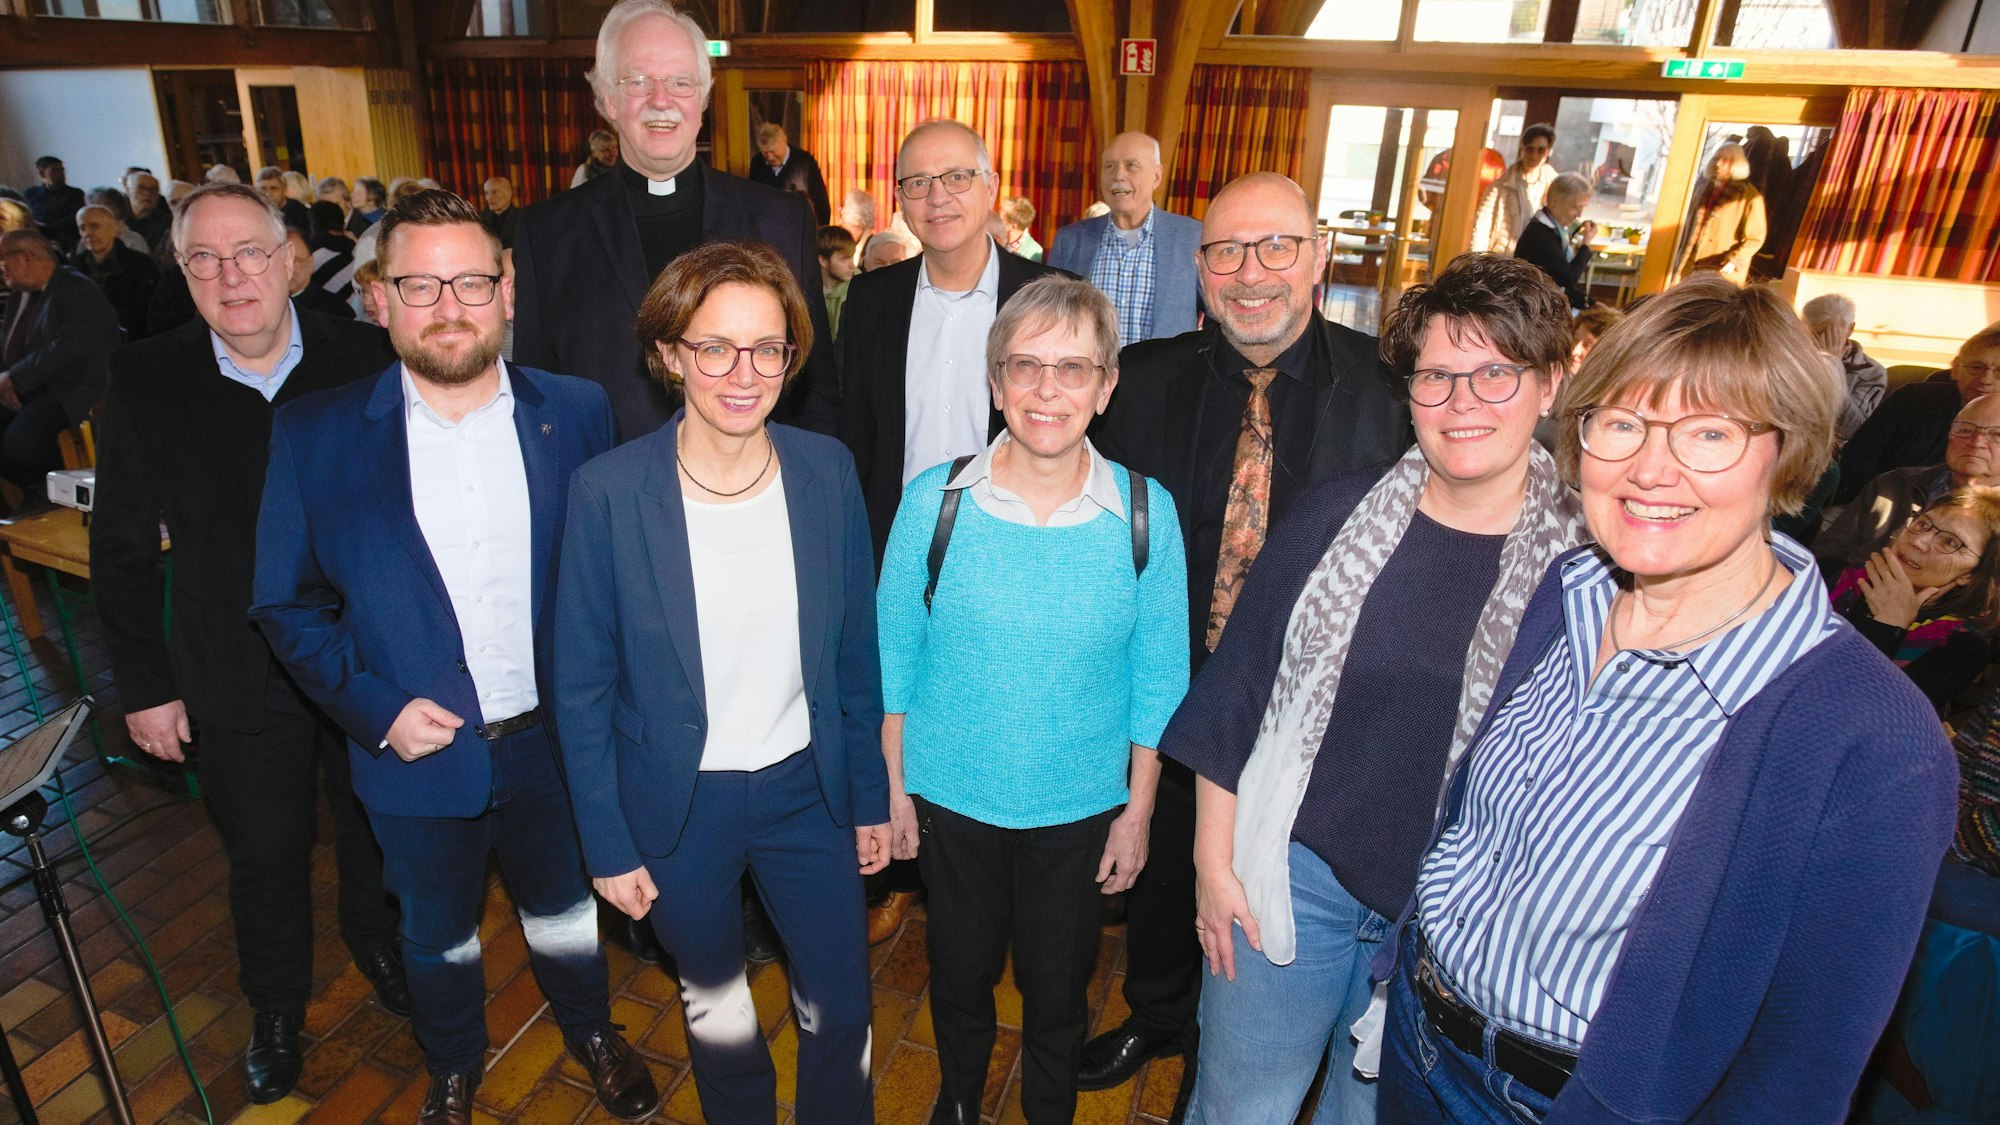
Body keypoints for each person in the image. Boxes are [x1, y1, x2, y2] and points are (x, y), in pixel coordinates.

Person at [1379, 275, 1958, 1121]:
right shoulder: (1567, 591)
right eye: (1621, 423)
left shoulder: (1873, 740)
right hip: (1417, 1043)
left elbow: (1796, 1076)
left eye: (1710, 432)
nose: (1651, 468)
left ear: (1790, 451)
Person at [249, 191, 658, 1125]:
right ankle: (452, 1064)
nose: (448, 305)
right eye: (419, 283)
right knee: (435, 934)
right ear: (377, 298)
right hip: (412, 752)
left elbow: (614, 576)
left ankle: (592, 1030)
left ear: (507, 290)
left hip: (557, 744)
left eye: (471, 280)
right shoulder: (315, 436)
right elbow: (284, 600)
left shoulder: (581, 411)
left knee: (565, 909)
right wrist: (376, 707)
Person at [1164, 254, 1588, 1124]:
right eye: (1436, 375)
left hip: (1456, 923)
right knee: (1238, 1109)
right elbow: (1233, 693)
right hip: (1292, 878)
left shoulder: (1590, 571)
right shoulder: (1331, 516)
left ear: (1549, 385)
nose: (1461, 401)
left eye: (1495, 373)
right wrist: (1213, 863)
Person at [1085, 171, 1411, 1104]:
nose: (1252, 272)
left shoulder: (1394, 398)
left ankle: (1260, 1043)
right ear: (1200, 270)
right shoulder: (1141, 382)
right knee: (1159, 871)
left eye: (1277, 247)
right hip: (1171, 696)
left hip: (1319, 724)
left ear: (1319, 259)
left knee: (1273, 899)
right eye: (1227, 251)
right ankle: (1156, 1013)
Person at [554, 240, 886, 1123]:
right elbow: (581, 686)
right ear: (670, 354)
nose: (744, 373)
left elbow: (857, 651)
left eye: (767, 348)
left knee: (841, 1009)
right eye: (714, 347)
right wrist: (607, 843)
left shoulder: (826, 472)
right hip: (675, 806)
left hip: (806, 792)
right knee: (719, 1010)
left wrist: (868, 797)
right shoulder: (608, 493)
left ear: (791, 355)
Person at [92, 180, 405, 1106]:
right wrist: (146, 686)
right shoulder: (146, 377)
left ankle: (377, 943)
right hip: (232, 661)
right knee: (265, 850)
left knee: (372, 827)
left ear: (291, 259)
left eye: (251, 254)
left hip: (357, 655)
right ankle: (275, 1004)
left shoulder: (360, 352)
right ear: (183, 273)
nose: (232, 277)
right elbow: (119, 547)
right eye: (205, 259)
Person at [877, 274, 1189, 1123]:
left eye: (1073, 368)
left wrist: (1139, 812)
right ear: (995, 380)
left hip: (1080, 807)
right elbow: (893, 660)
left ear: (1106, 385)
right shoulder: (935, 503)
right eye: (1026, 366)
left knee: (1059, 987)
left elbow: (1160, 682)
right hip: (952, 796)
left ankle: (1049, 1107)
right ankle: (961, 1098)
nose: (1048, 389)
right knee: (960, 973)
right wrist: (895, 789)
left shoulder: (1144, 513)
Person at [514, 0, 833, 441]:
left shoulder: (781, 220)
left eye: (681, 82)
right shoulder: (546, 234)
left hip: (753, 493)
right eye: (638, 81)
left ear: (702, 98)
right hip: (607, 497)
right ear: (606, 97)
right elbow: (536, 399)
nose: (660, 100)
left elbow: (814, 393)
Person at [821, 119, 1071, 562]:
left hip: (1019, 547)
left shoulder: (1053, 297)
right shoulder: (870, 300)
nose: (938, 197)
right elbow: (858, 433)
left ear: (990, 186)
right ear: (900, 200)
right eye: (918, 182)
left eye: (957, 177)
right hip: (896, 550)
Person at [1828, 487, 2000, 709]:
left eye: (1950, 542)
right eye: (1922, 524)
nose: (1918, 541)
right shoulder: (1835, 574)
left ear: (1969, 575)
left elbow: (1866, 711)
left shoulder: (1964, 650)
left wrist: (1888, 627)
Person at [1047, 131, 1203, 345]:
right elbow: (1050, 318)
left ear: (1157, 176)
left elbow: (1219, 316)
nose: (1118, 176)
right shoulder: (1070, 241)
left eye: (1131, 165)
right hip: (1088, 376)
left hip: (1167, 378)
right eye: (1109, 166)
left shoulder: (1192, 238)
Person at [1818, 394, 2000, 571]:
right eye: (1965, 430)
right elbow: (1828, 553)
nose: (1976, 442)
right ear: (1949, 435)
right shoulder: (1894, 485)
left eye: (1997, 435)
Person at [0, 229, 117, 493]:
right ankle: (29, 493)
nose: (1, 268)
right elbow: (9, 343)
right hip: (37, 383)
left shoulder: (77, 289)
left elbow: (69, 349)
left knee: (22, 442)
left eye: (3, 259)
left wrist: (13, 378)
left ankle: (54, 491)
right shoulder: (21, 293)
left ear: (25, 257)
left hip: (74, 387)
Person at [1840, 323, 2000, 501]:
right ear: (1955, 369)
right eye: (1976, 367)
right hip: (1875, 502)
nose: (1986, 379)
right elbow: (1857, 456)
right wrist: (1892, 501)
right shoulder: (1912, 399)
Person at [1673, 143, 1766, 286]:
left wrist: (1734, 260)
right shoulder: (1701, 187)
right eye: (1716, 158)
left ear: (1737, 163)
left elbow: (1755, 238)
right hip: (1689, 263)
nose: (1718, 163)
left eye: (1726, 159)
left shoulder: (1749, 195)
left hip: (1721, 267)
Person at [1802, 293, 1887, 441]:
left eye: (1828, 333)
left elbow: (1852, 429)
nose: (1819, 341)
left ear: (1850, 329)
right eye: (1813, 334)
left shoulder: (1871, 372)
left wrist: (1832, 368)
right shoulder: (1792, 358)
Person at [72, 203, 158, 341]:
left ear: (113, 229)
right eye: (82, 228)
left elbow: (148, 310)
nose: (87, 233)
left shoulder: (139, 264)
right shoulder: (74, 268)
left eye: (94, 226)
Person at [1512, 171, 1596, 310]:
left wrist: (1591, 303)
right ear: (1557, 202)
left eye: (1582, 208)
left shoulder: (1556, 229)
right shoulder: (1540, 233)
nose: (1579, 215)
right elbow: (1567, 278)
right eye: (1576, 207)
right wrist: (1585, 245)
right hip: (1531, 308)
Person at [1470, 123, 1555, 255]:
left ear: (1548, 151)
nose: (1534, 155)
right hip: (1504, 258)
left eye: (1541, 150)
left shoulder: (1554, 186)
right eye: (1530, 149)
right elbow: (1481, 227)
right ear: (1522, 148)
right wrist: (1477, 261)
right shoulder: (1500, 186)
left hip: (1537, 260)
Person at [748, 122, 832, 224]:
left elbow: (820, 200)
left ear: (784, 141)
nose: (770, 157)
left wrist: (821, 232)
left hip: (798, 225)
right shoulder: (757, 163)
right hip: (767, 226)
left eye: (773, 151)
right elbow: (753, 198)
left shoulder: (805, 162)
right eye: (765, 152)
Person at [284, 226, 354, 320]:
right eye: (281, 262)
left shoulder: (336, 311)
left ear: (310, 263)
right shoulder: (265, 305)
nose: (287, 269)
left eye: (295, 261)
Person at [24, 156, 85, 251]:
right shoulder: (31, 193)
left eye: (62, 170)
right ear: (42, 173)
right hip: (36, 236)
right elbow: (25, 214)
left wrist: (47, 228)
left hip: (64, 237)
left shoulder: (75, 193)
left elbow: (75, 217)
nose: (61, 174)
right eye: (55, 171)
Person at [817, 223, 854, 337]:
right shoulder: (807, 291)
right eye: (844, 259)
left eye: (852, 257)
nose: (852, 265)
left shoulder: (856, 289)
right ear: (823, 261)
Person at [124, 169, 172, 252]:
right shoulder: (119, 220)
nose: (147, 194)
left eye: (153, 190)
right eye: (141, 189)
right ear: (128, 191)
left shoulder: (167, 223)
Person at [256, 166, 312, 233]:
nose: (268, 194)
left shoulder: (301, 214)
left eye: (274, 188)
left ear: (284, 189)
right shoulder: (252, 213)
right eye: (263, 189)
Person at [479, 176, 521, 249]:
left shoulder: (521, 217)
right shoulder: (480, 218)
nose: (489, 198)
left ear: (509, 193)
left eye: (494, 192)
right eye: (486, 193)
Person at [1000, 196, 1042, 261]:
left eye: (1001, 219)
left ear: (1013, 226)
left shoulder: (1033, 251)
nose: (996, 220)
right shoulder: (994, 239)